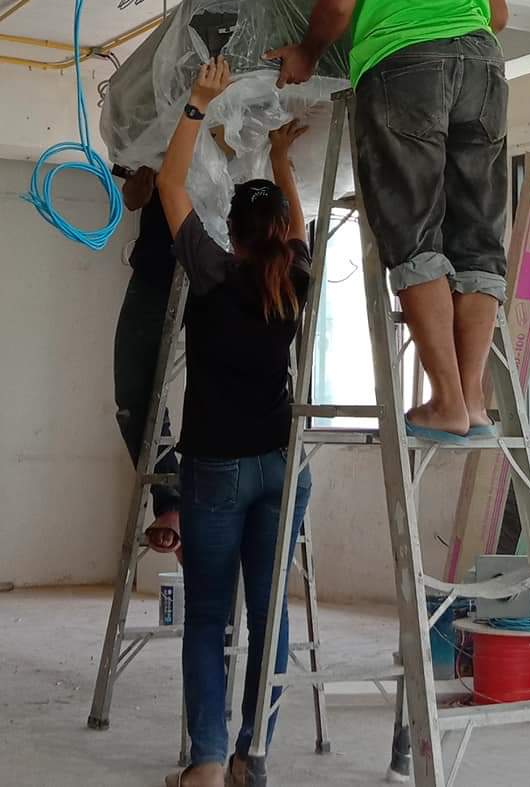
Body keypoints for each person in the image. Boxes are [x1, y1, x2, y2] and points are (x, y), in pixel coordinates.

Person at [265, 0, 509, 445]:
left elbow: (339, 2)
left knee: (413, 226)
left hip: (406, 68)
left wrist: (307, 52)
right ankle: (474, 403)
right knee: (478, 236)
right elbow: (497, 12)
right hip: (484, 68)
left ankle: (446, 401)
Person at [158, 56, 312, 787]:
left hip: (216, 468)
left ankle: (208, 763)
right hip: (282, 463)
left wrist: (196, 103)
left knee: (209, 616)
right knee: (269, 614)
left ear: (234, 231)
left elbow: (171, 186)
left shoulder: (213, 270)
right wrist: (281, 159)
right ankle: (255, 755)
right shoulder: (296, 278)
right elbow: (298, 229)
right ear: (277, 232)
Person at [114, 165, 182, 553]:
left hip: (222, 261)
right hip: (157, 267)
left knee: (232, 389)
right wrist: (138, 187)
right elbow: (132, 193)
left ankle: (219, 514)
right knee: (134, 399)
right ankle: (171, 501)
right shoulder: (153, 135)